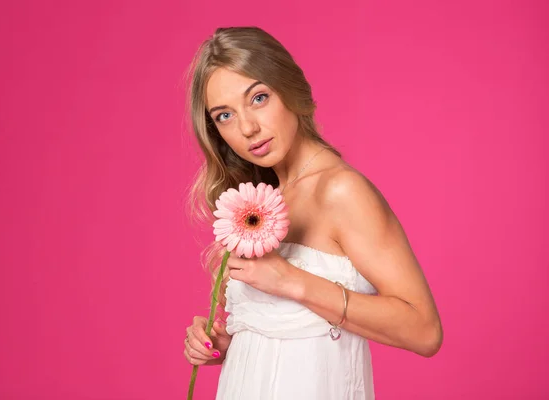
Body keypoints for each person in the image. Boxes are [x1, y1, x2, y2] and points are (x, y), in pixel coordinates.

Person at [183, 26, 443, 400]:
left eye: (258, 97)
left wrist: (293, 282)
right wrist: (229, 344)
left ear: (290, 89)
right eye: (224, 115)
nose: (247, 128)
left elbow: (425, 331)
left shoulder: (340, 190)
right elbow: (288, 339)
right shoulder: (259, 201)